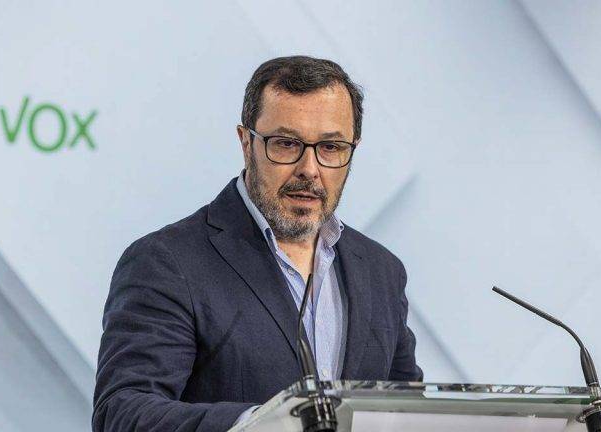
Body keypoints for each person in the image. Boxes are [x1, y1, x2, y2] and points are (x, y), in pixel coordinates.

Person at [93, 55, 422, 432]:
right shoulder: (167, 262)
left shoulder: (381, 271)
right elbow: (122, 413)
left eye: (331, 148)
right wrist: (264, 424)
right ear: (246, 142)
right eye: (285, 144)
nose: (309, 169)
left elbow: (407, 411)